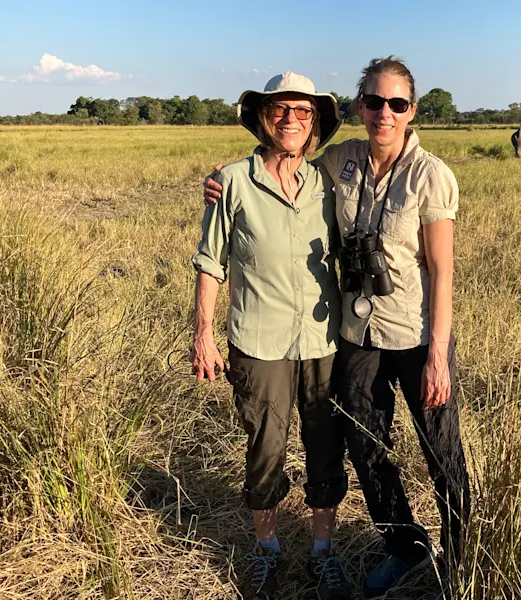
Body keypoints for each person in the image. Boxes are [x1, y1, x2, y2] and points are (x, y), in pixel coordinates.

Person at [205, 57, 470, 599]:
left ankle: (467, 555)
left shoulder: (430, 174)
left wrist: (439, 353)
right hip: (356, 334)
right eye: (373, 101)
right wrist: (222, 181)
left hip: (417, 336)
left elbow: (442, 270)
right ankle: (405, 547)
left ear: (412, 110)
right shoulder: (339, 162)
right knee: (365, 446)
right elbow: (277, 169)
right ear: (358, 107)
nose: (384, 113)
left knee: (440, 449)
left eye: (397, 103)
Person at [191, 72, 351, 600]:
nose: (291, 120)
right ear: (264, 118)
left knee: (327, 444)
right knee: (265, 445)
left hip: (324, 339)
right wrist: (204, 335)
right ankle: (267, 550)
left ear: (315, 123)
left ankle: (324, 552)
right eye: (281, 110)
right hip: (258, 340)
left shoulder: (327, 181)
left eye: (302, 113)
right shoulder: (233, 180)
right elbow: (210, 262)